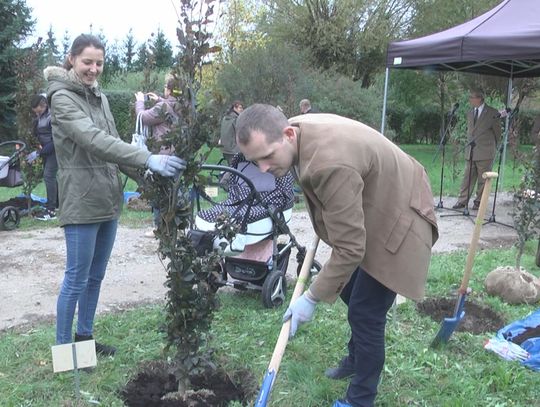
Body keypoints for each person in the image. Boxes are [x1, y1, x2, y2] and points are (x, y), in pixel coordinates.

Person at [235, 104, 439, 407]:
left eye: (267, 157)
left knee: (366, 312)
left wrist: (311, 298)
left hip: (402, 215)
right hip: (378, 200)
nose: (263, 168)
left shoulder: (329, 164)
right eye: (255, 162)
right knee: (350, 291)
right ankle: (357, 358)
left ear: (288, 134)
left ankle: (361, 398)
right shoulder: (297, 132)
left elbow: (351, 248)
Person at [44, 34, 186, 353]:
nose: (94, 69)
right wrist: (149, 157)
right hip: (81, 200)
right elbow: (93, 139)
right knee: (76, 278)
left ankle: (84, 339)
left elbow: (114, 149)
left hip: (107, 198)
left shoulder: (101, 98)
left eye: (99, 63)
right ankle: (65, 352)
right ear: (71, 60)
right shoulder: (61, 98)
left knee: (95, 275)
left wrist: (149, 180)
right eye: (87, 62)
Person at [135, 74, 181, 235]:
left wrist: (140, 101)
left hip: (162, 155)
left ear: (169, 90)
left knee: (160, 191)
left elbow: (143, 117)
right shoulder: (184, 106)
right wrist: (160, 99)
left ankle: (160, 227)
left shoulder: (163, 107)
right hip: (178, 155)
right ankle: (175, 227)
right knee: (175, 191)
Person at [453, 89, 501, 210]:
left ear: (479, 98)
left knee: (483, 179)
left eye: (472, 97)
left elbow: (498, 133)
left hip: (485, 152)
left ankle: (479, 201)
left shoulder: (492, 113)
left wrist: (492, 147)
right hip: (471, 151)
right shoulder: (470, 112)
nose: (470, 99)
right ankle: (462, 201)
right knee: (467, 177)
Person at [30, 94, 58, 220]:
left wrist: (38, 153)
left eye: (39, 111)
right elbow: (38, 133)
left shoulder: (52, 116)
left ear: (44, 105)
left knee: (48, 176)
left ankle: (51, 210)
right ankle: (56, 204)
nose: (38, 114)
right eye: (36, 112)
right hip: (46, 151)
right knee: (51, 177)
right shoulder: (40, 117)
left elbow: (55, 141)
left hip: (55, 150)